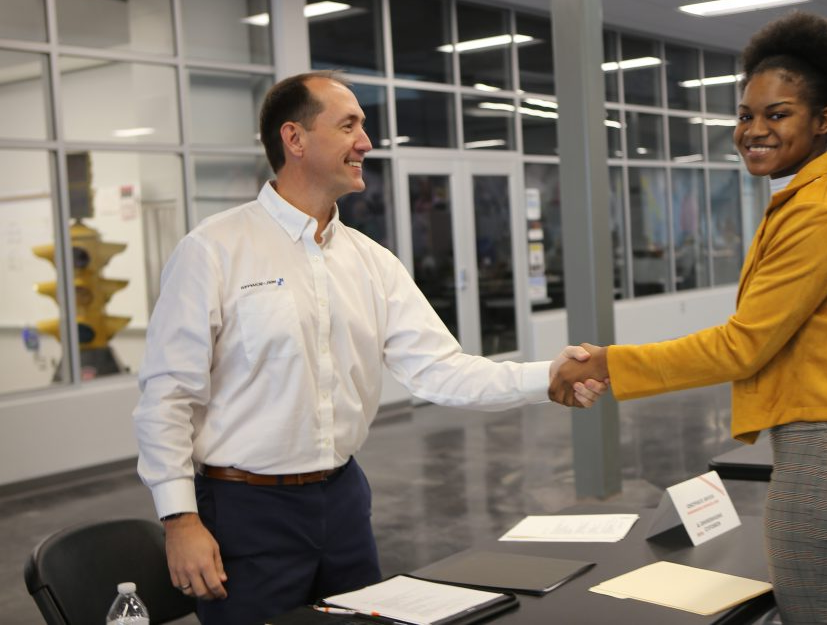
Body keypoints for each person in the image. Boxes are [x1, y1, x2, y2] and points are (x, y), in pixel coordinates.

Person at [133, 71, 605, 625]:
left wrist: (544, 376)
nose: (367, 142)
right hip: (242, 512)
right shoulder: (213, 251)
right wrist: (179, 520)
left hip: (343, 503)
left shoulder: (371, 261)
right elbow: (168, 396)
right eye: (349, 125)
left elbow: (439, 370)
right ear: (296, 139)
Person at [551, 12, 827, 624]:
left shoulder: (818, 213)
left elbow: (743, 346)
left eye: (778, 114)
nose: (754, 130)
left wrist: (611, 362)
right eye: (746, 115)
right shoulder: (808, 200)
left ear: (824, 121)